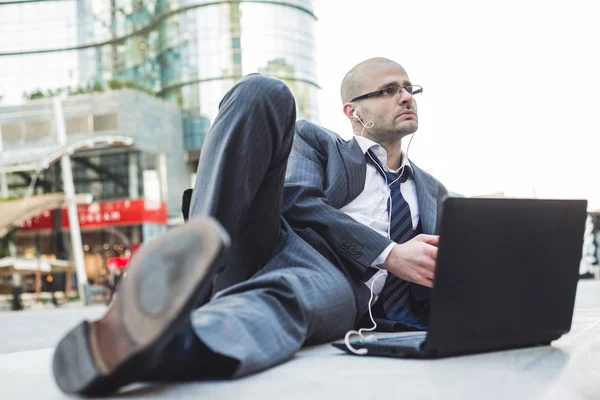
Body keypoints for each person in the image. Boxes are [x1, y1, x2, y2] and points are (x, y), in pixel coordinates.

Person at [52, 57, 448, 395]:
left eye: (409, 88)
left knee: (295, 294)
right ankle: (192, 270)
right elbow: (296, 200)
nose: (406, 96)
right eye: (388, 90)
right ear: (353, 111)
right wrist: (389, 254)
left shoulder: (435, 192)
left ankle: (144, 348)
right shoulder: (316, 142)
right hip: (276, 244)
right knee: (264, 91)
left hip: (345, 292)